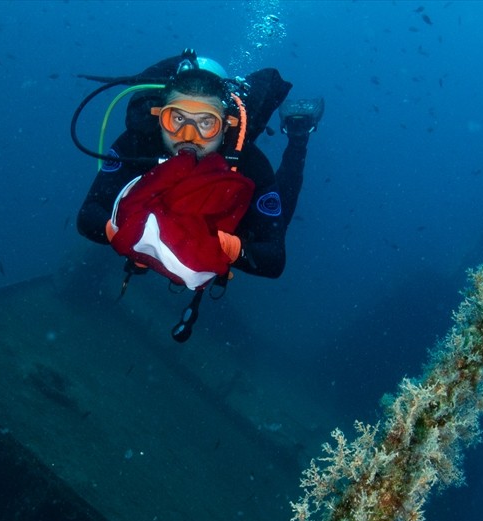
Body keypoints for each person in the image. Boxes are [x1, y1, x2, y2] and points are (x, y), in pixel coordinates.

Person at [74, 51, 323, 341]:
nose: (188, 136)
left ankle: (298, 135)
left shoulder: (249, 164)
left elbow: (274, 259)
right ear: (159, 116)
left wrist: (229, 248)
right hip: (148, 212)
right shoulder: (139, 141)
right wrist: (123, 232)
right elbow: (87, 215)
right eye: (176, 119)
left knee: (282, 205)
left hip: (227, 220)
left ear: (225, 124)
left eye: (206, 123)